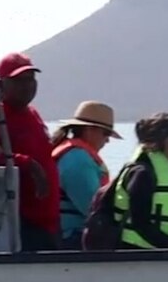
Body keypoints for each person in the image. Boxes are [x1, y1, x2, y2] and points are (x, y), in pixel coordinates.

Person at [0, 52, 60, 252]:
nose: (28, 85)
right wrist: (27, 164)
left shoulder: (33, 113)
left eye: (31, 79)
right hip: (21, 224)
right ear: (0, 85)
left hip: (49, 224)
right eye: (19, 80)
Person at [113, 113, 168, 249]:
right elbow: (140, 223)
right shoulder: (143, 173)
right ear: (160, 141)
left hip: (160, 252)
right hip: (137, 251)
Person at [50, 100, 121, 249]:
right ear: (89, 130)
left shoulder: (73, 154)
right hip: (72, 238)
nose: (107, 140)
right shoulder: (78, 160)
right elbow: (92, 207)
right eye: (106, 133)